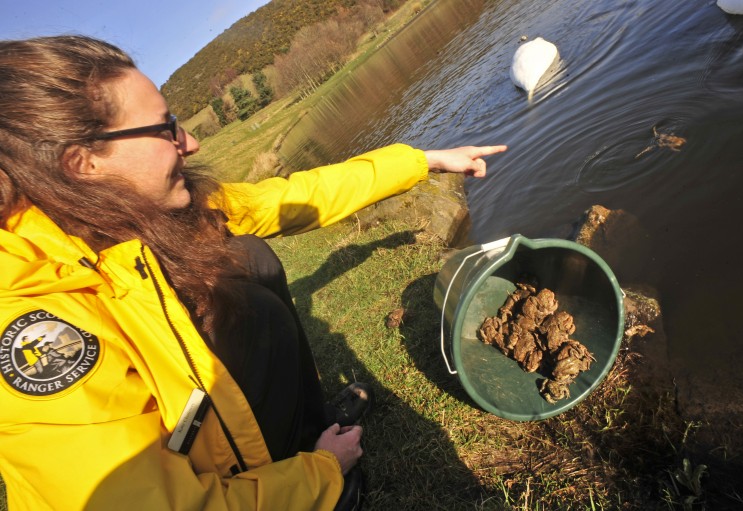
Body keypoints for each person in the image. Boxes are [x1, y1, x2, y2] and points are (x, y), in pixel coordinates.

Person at [0, 35, 506, 510]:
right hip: (205, 485)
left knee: (249, 257)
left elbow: (284, 198)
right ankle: (322, 475)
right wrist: (323, 474)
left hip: (217, 437)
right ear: (83, 163)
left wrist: (422, 161)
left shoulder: (139, 209)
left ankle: (309, 434)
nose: (191, 141)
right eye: (164, 127)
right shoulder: (38, 332)